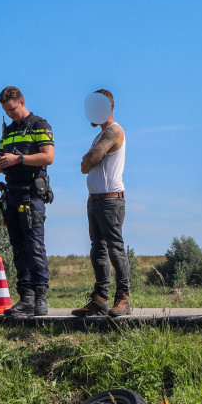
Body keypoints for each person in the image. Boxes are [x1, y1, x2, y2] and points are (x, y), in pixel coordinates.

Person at [0, 86, 55, 316]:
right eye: (6, 111)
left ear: (22, 102)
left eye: (13, 109)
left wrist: (18, 158)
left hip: (32, 195)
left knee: (35, 246)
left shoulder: (40, 125)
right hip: (11, 194)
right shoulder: (7, 131)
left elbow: (48, 156)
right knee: (18, 248)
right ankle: (25, 296)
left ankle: (40, 297)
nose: (11, 114)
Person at [72, 89, 131, 317]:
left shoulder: (114, 132)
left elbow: (91, 160)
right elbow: (84, 165)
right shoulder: (100, 135)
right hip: (96, 199)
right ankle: (100, 299)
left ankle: (123, 298)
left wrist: (87, 159)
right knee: (98, 249)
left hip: (110, 200)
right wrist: (87, 160)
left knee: (115, 249)